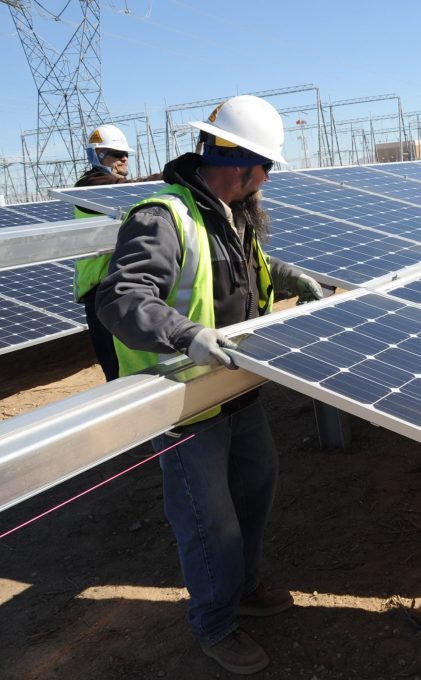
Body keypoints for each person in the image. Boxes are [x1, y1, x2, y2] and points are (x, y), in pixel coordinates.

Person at [95, 95, 324, 675]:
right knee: (209, 523)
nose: (266, 179)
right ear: (238, 162)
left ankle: (244, 587)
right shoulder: (163, 216)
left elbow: (243, 274)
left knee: (256, 487)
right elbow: (121, 298)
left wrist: (291, 276)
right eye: (264, 167)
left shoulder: (230, 213)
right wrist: (187, 334)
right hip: (187, 404)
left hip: (237, 389)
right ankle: (215, 623)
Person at [74, 124, 162, 381]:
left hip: (119, 284)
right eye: (116, 154)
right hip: (100, 290)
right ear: (98, 155)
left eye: (125, 154)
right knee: (115, 366)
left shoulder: (115, 190)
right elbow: (134, 189)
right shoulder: (90, 186)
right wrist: (171, 174)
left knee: (132, 358)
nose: (123, 158)